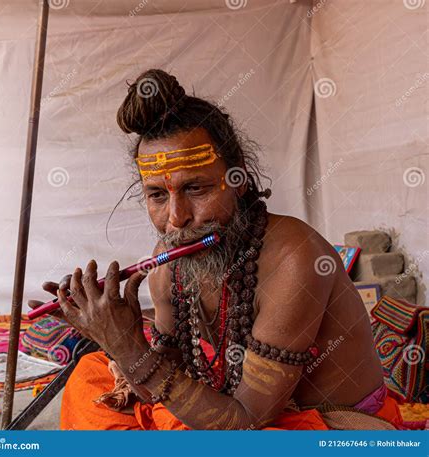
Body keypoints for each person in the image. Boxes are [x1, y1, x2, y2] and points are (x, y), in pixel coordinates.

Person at [29, 69, 403, 430]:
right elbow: (153, 384)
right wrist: (113, 334)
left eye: (196, 189)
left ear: (237, 179)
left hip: (320, 424)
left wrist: (128, 350)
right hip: (229, 405)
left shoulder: (296, 257)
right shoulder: (166, 264)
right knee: (89, 377)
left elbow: (245, 423)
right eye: (157, 195)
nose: (176, 219)